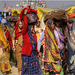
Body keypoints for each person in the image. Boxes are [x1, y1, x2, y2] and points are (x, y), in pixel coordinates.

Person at [20, 7, 43, 75]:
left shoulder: (34, 36)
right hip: (26, 55)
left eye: (33, 27)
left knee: (35, 70)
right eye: (32, 27)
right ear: (29, 28)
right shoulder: (25, 33)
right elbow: (25, 25)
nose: (33, 29)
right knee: (26, 70)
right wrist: (25, 15)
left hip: (33, 55)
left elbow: (35, 46)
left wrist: (38, 52)